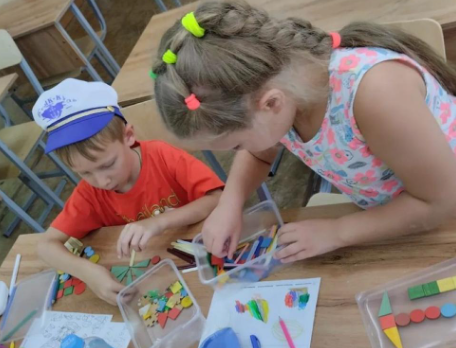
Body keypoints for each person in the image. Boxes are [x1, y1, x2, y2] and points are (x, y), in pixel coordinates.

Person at [151, 1, 456, 263]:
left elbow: (439, 202)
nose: (241, 151)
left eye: (236, 145)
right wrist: (230, 203)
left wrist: (338, 231)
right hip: (395, 220)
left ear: (271, 104)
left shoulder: (376, 95)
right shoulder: (281, 91)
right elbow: (258, 152)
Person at [33, 79, 224, 304]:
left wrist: (158, 222)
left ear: (129, 136)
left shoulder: (162, 157)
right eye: (84, 173)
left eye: (108, 164)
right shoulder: (89, 193)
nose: (102, 181)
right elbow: (45, 246)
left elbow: (217, 198)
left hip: (205, 260)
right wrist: (89, 273)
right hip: (157, 278)